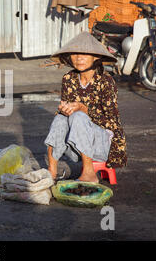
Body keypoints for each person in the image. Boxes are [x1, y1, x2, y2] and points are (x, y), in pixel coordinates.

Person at [44, 32, 127, 183]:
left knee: (79, 116)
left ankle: (89, 173)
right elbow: (65, 114)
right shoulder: (68, 79)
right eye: (75, 54)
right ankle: (52, 170)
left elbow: (112, 123)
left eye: (84, 54)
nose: (79, 58)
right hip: (76, 145)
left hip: (103, 146)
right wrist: (64, 109)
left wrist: (84, 110)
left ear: (96, 57)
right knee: (61, 118)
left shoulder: (106, 81)